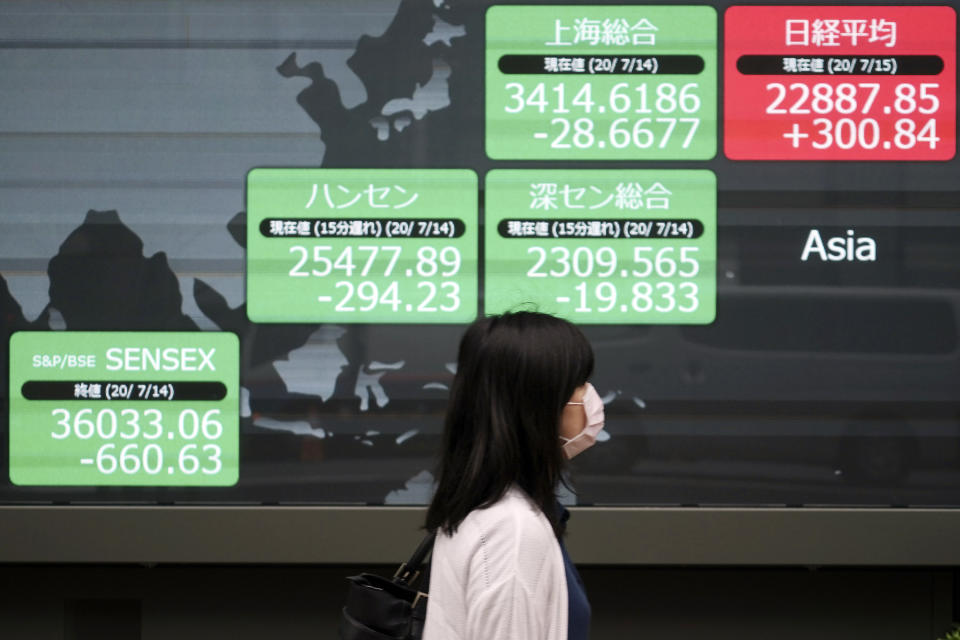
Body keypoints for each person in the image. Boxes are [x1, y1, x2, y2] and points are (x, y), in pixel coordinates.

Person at [422, 311, 605, 640]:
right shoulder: (512, 532)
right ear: (539, 403)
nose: (590, 396)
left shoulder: (485, 510)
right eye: (578, 383)